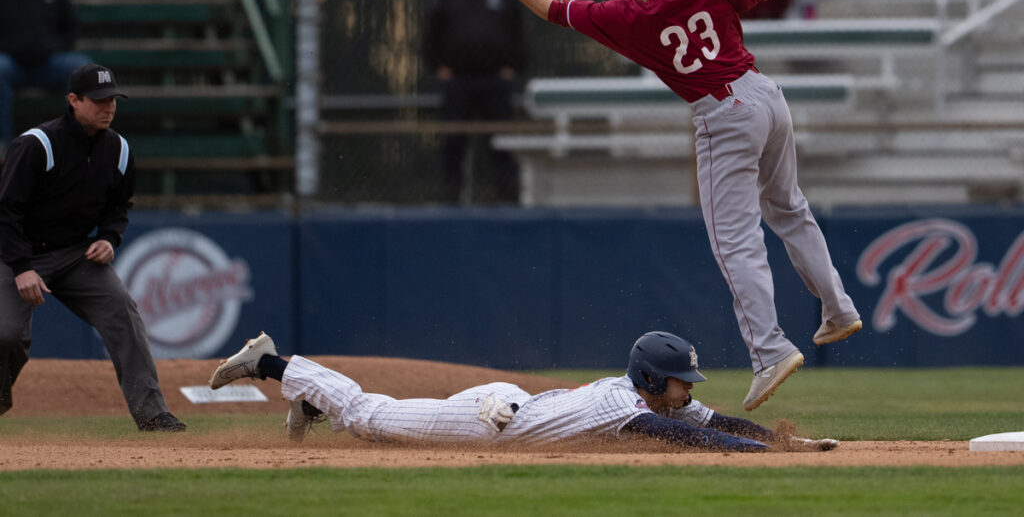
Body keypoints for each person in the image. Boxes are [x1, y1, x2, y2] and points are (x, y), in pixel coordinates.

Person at [462, 0, 861, 411]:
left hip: (724, 114)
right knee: (790, 209)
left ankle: (771, 350)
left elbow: (548, 7)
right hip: (767, 96)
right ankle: (838, 308)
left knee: (735, 240)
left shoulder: (634, 17)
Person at [210, 329, 839, 451]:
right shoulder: (635, 407)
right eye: (682, 380)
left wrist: (791, 444)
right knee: (372, 415)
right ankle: (272, 363)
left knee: (373, 416)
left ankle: (307, 395)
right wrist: (759, 457)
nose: (689, 390)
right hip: (489, 421)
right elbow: (681, 435)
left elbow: (712, 421)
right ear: (654, 380)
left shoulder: (648, 393)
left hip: (514, 407)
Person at [0, 63, 186, 431]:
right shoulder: (37, 144)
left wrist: (108, 237)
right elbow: (5, 212)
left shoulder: (118, 149)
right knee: (7, 335)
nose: (108, 107)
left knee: (123, 315)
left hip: (75, 255)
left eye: (112, 99)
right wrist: (22, 267)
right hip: (15, 253)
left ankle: (152, 414)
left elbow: (119, 206)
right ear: (73, 100)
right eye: (99, 100)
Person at [423, 0, 528, 203]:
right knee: (453, 141)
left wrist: (513, 66)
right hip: (458, 81)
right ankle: (450, 197)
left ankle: (508, 197)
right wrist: (439, 66)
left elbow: (520, 33)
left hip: (495, 82)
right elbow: (431, 34)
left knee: (502, 141)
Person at [0, 0, 92, 155]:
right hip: (12, 64)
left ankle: (74, 142)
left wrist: (52, 48)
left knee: (81, 69)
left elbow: (71, 29)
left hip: (48, 63)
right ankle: (4, 144)